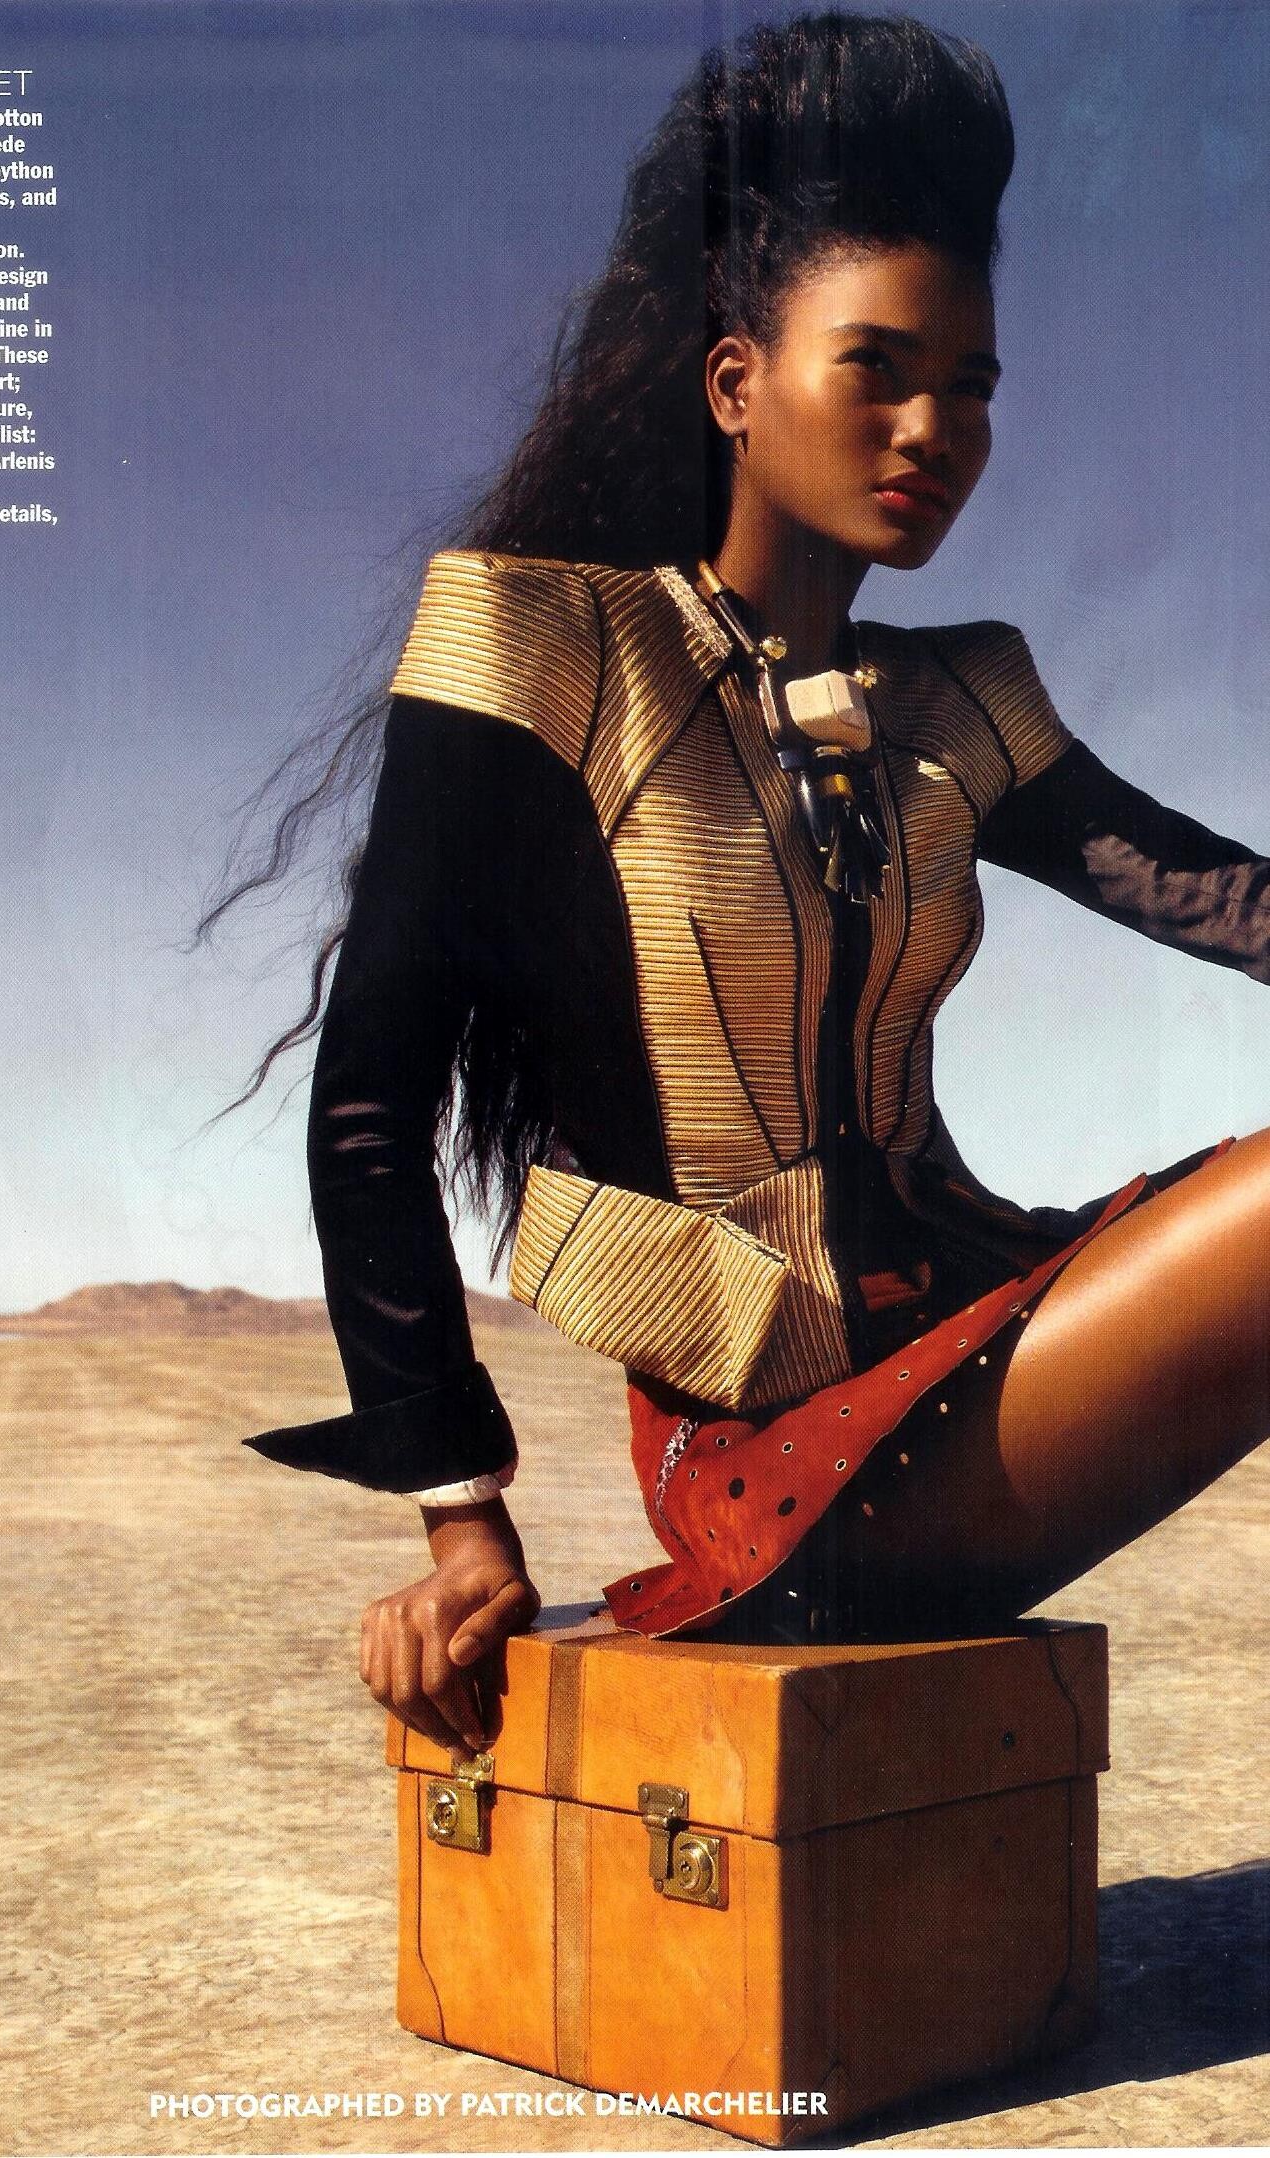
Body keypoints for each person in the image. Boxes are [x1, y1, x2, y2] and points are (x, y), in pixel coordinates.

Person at [229, 12, 1268, 1763]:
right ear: (734, 383)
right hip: (785, 1468)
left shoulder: (960, 696)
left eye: (971, 386)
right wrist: (461, 1520)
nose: (933, 427)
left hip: (979, 1335)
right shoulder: (547, 650)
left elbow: (1224, 899)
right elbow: (366, 1111)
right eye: (878, 368)